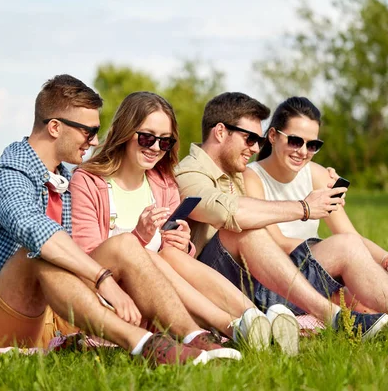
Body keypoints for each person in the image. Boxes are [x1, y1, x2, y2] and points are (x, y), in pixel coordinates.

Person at [0, 75, 241, 366]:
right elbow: (36, 231)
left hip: (58, 316)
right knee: (38, 254)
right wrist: (102, 279)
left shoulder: (65, 179)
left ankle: (193, 337)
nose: (95, 141)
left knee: (123, 244)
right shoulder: (8, 174)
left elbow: (92, 250)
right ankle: (144, 344)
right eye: (88, 131)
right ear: (55, 127)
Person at [175, 92, 388, 339]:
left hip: (260, 273)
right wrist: (305, 208)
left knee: (351, 251)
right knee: (249, 230)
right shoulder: (193, 173)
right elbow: (228, 213)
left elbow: (346, 231)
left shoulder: (237, 172)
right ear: (220, 132)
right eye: (251, 139)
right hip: (227, 280)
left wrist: (383, 257)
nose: (255, 148)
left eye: (313, 144)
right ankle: (377, 318)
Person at [70, 91, 300, 355]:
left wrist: (183, 244)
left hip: (161, 296)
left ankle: (252, 319)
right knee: (143, 251)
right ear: (126, 132)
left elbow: (175, 258)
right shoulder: (88, 181)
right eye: (147, 137)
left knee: (169, 253)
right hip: (108, 294)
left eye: (165, 142)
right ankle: (232, 326)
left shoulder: (163, 182)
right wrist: (139, 237)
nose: (155, 147)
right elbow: (86, 257)